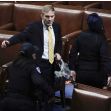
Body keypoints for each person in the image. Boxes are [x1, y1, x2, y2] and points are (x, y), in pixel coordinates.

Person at [1, 5, 62, 110]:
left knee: (48, 90)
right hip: (38, 63)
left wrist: (57, 52)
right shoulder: (34, 27)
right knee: (38, 90)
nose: (50, 19)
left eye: (52, 16)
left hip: (51, 63)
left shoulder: (57, 27)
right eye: (47, 16)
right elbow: (21, 36)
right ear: (42, 15)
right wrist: (9, 42)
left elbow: (58, 43)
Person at [0, 42, 53, 111]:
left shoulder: (12, 65)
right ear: (31, 54)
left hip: (7, 102)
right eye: (34, 53)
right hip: (24, 103)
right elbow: (38, 82)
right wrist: (50, 91)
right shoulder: (32, 66)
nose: (35, 55)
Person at [69, 13, 111, 88]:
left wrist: (72, 69)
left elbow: (72, 54)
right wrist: (109, 74)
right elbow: (105, 60)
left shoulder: (81, 36)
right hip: (96, 76)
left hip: (80, 75)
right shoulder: (101, 39)